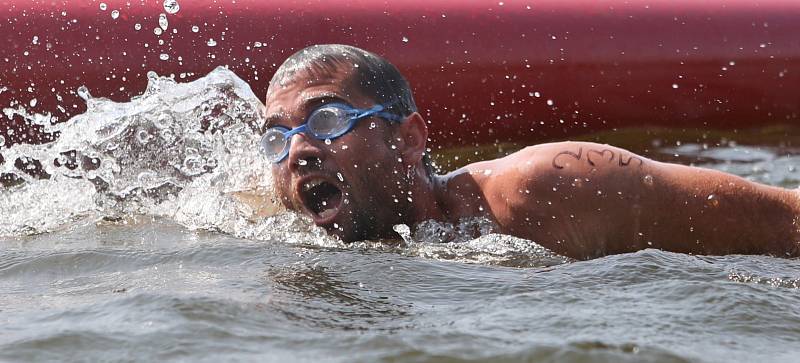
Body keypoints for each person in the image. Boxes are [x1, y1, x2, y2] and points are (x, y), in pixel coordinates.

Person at [261, 44, 800, 260]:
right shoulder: (282, 219)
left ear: (410, 138)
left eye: (327, 120)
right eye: (277, 137)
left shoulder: (541, 188)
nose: (299, 152)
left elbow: (784, 222)